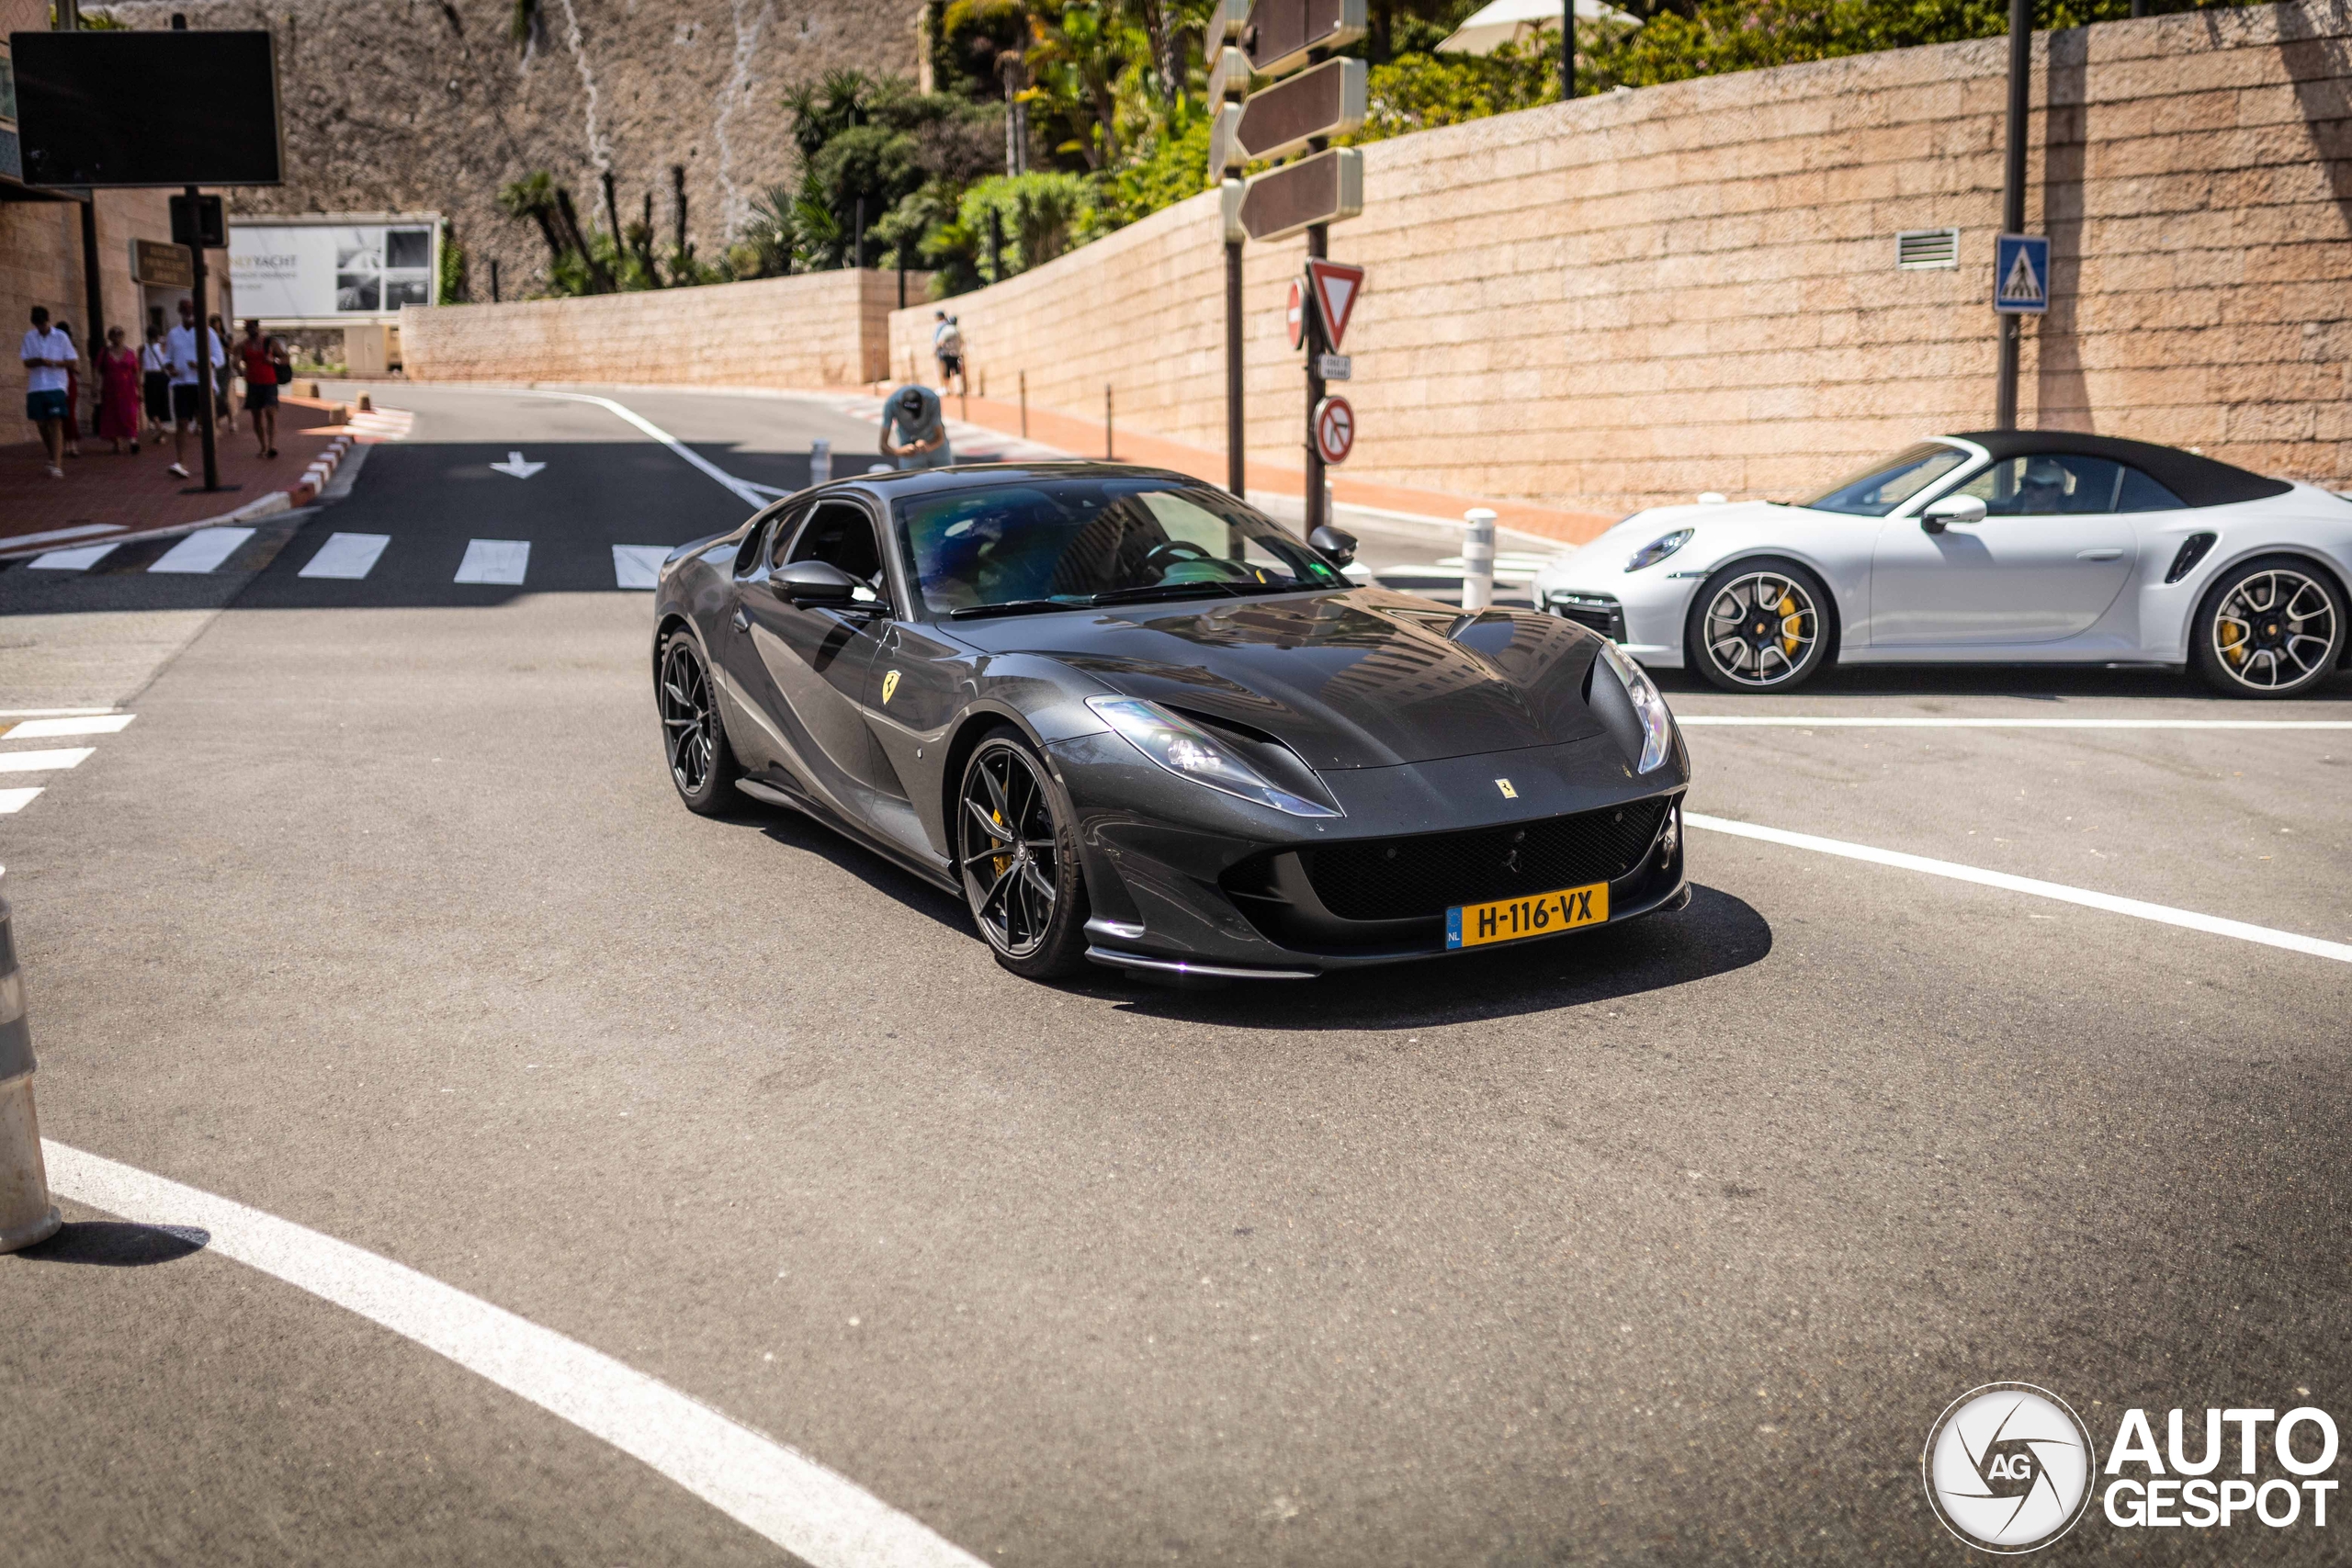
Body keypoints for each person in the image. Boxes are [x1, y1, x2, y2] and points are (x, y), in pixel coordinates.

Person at [163, 297, 224, 479]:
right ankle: (181, 462)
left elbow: (219, 358)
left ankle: (211, 461)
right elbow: (167, 359)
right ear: (179, 311)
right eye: (184, 309)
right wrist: (170, 368)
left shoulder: (207, 332)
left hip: (202, 384)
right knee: (181, 423)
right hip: (182, 384)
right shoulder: (173, 334)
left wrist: (203, 365)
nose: (188, 312)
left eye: (191, 309)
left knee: (205, 424)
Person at [19, 306, 76, 478]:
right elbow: (26, 361)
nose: (40, 327)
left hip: (56, 385)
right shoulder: (29, 337)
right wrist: (39, 361)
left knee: (55, 422)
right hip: (36, 386)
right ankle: (53, 454)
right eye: (37, 324)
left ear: (47, 320)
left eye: (42, 323)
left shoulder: (61, 337)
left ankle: (57, 465)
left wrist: (51, 363)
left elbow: (72, 361)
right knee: (41, 423)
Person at [879, 383, 952, 471]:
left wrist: (927, 447)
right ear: (900, 404)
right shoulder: (891, 404)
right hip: (908, 444)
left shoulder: (932, 399)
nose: (914, 421)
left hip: (933, 442)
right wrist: (900, 452)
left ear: (924, 402)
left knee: (945, 475)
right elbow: (883, 446)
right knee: (911, 480)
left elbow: (940, 438)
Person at [96, 324, 142, 454]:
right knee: (112, 416)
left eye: (120, 334)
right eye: (114, 334)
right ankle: (116, 443)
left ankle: (133, 440)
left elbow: (136, 373)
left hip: (128, 389)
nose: (117, 337)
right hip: (110, 389)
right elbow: (98, 371)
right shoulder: (104, 353)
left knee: (130, 414)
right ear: (110, 337)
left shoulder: (130, 353)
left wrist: (140, 390)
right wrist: (96, 386)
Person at [237, 319, 281, 457]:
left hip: (269, 382)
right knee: (256, 416)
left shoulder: (269, 343)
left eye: (253, 327)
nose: (251, 330)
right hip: (253, 384)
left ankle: (272, 445)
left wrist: (274, 360)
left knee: (270, 412)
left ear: (258, 328)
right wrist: (240, 370)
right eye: (248, 327)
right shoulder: (243, 345)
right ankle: (263, 446)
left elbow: (285, 358)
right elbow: (235, 360)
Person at [54, 321, 85, 457]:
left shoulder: (55, 346)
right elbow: (77, 368)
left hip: (57, 380)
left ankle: (66, 445)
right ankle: (71, 445)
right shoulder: (71, 347)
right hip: (67, 381)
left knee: (61, 414)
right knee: (69, 413)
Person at [140, 325, 171, 439]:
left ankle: (159, 428)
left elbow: (140, 366)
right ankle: (160, 429)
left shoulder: (143, 348)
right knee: (160, 403)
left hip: (151, 376)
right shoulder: (162, 346)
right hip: (161, 376)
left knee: (151, 405)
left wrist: (139, 382)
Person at [209, 313, 237, 433]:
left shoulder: (226, 337)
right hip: (213, 369)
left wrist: (220, 348)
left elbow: (231, 350)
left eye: (217, 321)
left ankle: (231, 421)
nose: (215, 324)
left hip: (224, 369)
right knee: (214, 397)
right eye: (213, 322)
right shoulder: (208, 337)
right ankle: (217, 422)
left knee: (224, 396)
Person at [932, 310, 965, 396]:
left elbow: (941, 341)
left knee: (946, 372)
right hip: (956, 354)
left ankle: (946, 389)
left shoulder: (946, 330)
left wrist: (935, 350)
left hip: (946, 354)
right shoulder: (957, 331)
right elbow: (962, 342)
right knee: (956, 372)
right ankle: (959, 389)